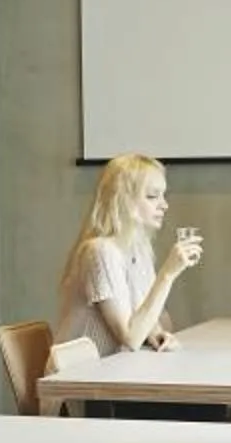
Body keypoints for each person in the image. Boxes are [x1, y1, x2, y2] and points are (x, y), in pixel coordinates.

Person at [53, 153, 204, 358]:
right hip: (73, 380)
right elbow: (131, 338)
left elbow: (148, 324)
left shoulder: (139, 250)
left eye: (163, 195)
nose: (164, 205)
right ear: (124, 201)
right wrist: (167, 274)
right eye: (152, 196)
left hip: (110, 372)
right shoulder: (100, 251)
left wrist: (160, 335)